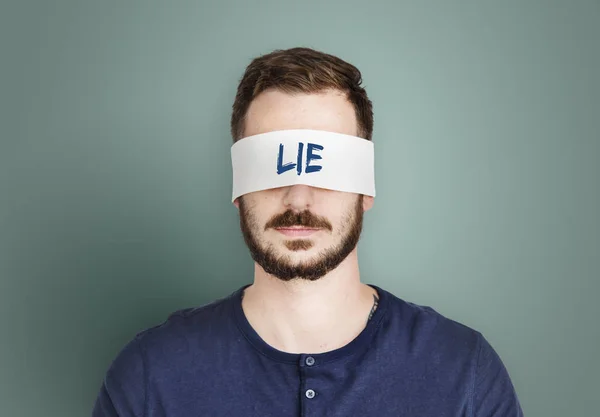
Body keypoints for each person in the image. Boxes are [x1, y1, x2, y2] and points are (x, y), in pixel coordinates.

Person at [93, 47, 523, 416]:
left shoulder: (464, 372)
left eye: (327, 168)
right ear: (238, 187)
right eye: (271, 166)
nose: (299, 197)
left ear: (365, 188)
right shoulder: (150, 376)